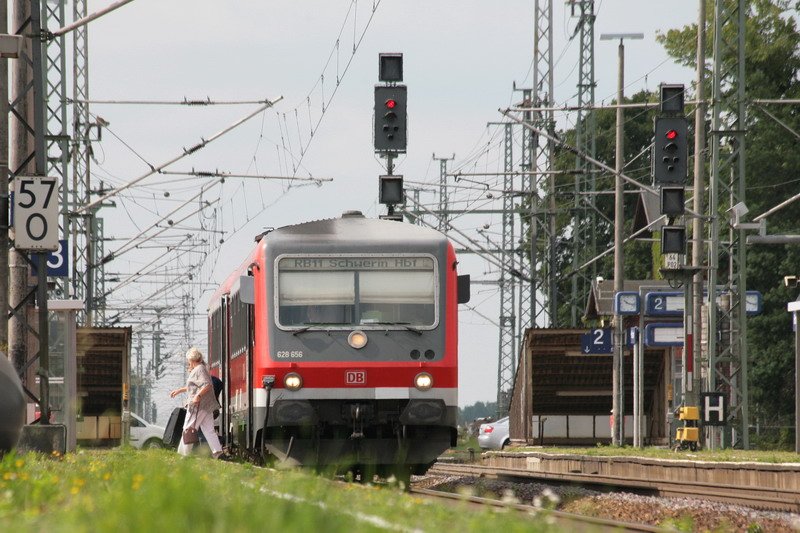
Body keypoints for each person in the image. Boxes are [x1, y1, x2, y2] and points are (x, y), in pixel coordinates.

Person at [169, 347, 224, 458]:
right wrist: (180, 390)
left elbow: (207, 385)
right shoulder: (201, 368)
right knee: (209, 430)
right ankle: (218, 452)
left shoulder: (199, 369)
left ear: (192, 360)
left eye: (188, 360)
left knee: (188, 428)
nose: (188, 362)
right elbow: (194, 386)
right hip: (206, 406)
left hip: (198, 405)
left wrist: (198, 396)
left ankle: (183, 454)